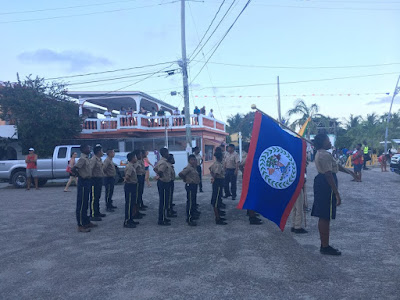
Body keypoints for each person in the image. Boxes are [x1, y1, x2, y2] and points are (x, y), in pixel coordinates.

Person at [311, 133, 355, 255]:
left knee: (324, 215)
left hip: (322, 181)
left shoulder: (323, 153)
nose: (330, 142)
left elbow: (336, 166)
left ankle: (324, 245)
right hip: (326, 184)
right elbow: (328, 174)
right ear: (322, 142)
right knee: (325, 215)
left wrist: (349, 172)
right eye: (327, 140)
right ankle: (325, 246)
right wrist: (336, 193)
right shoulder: (324, 155)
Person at [71, 144, 96, 233]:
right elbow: (74, 168)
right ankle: (80, 225)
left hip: (87, 181)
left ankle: (86, 221)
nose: (89, 149)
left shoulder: (86, 158)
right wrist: (79, 175)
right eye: (87, 148)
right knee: (81, 204)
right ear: (83, 149)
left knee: (86, 202)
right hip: (83, 181)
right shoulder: (82, 159)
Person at [179, 154, 201, 226]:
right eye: (192, 160)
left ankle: (193, 214)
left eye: (194, 160)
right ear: (189, 160)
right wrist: (185, 179)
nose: (194, 161)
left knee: (193, 201)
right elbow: (181, 174)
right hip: (190, 185)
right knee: (190, 202)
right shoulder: (188, 168)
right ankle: (189, 218)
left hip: (194, 185)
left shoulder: (193, 167)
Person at [154, 148, 173, 226]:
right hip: (164, 183)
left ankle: (163, 217)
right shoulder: (164, 163)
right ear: (165, 153)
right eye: (167, 152)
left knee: (164, 201)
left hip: (163, 182)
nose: (168, 154)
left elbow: (155, 168)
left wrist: (158, 175)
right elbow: (160, 171)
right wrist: (160, 176)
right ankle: (161, 219)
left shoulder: (160, 161)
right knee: (164, 202)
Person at [209, 151, 227, 225]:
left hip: (217, 181)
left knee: (217, 198)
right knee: (216, 200)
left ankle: (218, 215)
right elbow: (216, 174)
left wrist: (213, 176)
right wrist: (214, 178)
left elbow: (210, 169)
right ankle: (217, 218)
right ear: (220, 157)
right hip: (218, 182)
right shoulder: (218, 165)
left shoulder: (215, 163)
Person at [89, 145, 106, 221]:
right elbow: (90, 170)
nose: (103, 152)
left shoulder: (99, 159)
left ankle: (97, 212)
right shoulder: (93, 160)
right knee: (93, 197)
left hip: (99, 179)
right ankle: (92, 214)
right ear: (98, 152)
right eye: (102, 151)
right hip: (94, 180)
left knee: (97, 197)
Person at [123, 152, 138, 228]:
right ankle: (127, 221)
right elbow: (127, 176)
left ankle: (131, 219)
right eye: (135, 157)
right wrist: (127, 181)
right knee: (129, 204)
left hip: (133, 185)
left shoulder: (132, 166)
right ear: (132, 158)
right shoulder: (129, 166)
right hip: (130, 186)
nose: (136, 158)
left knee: (132, 204)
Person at [133, 150, 146, 217]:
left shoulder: (140, 161)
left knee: (140, 193)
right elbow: (133, 171)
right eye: (140, 154)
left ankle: (139, 207)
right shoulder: (136, 162)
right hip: (138, 177)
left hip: (141, 176)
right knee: (137, 194)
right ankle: (136, 211)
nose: (141, 155)